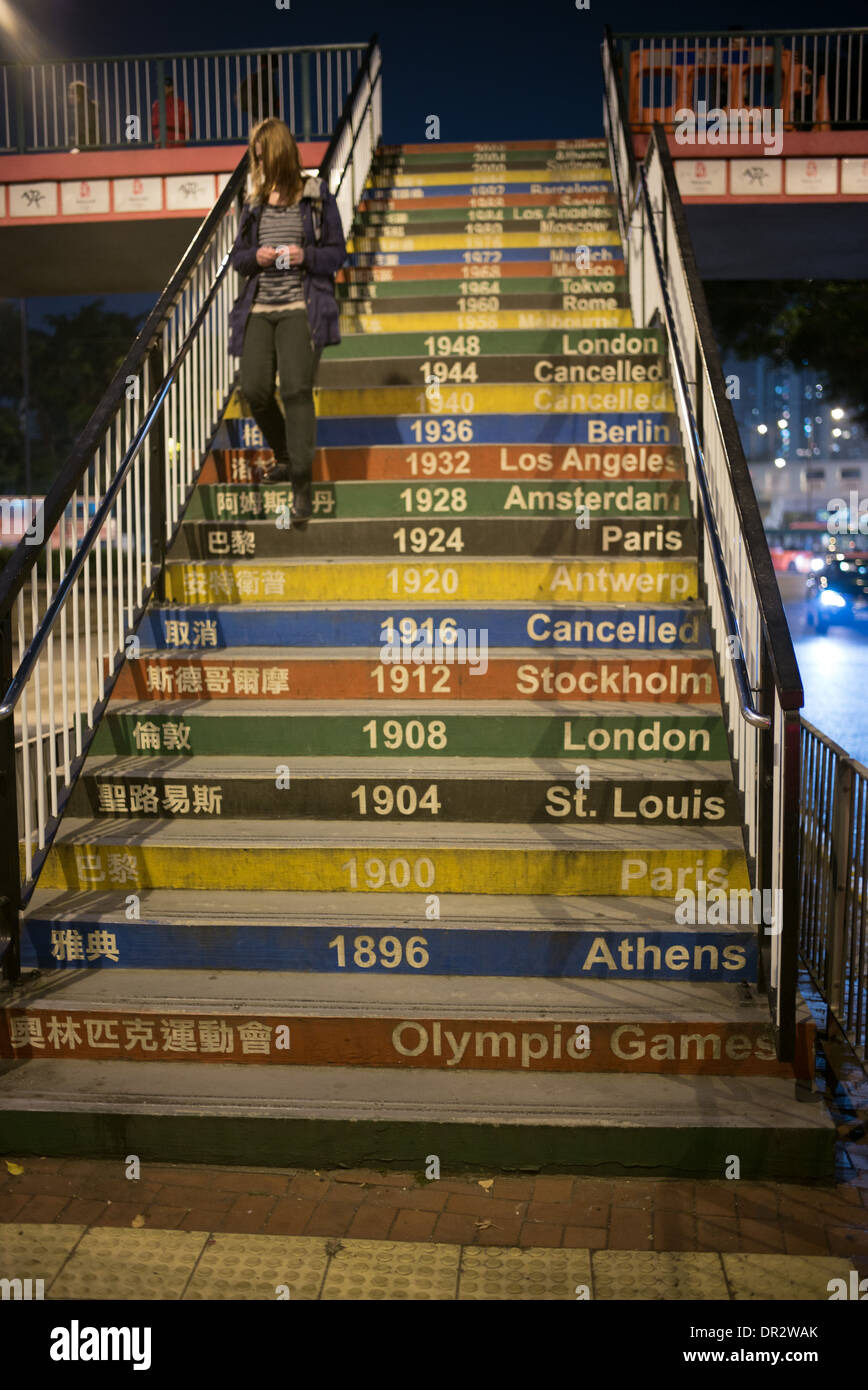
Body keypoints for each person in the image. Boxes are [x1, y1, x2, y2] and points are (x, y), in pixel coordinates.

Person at [227, 118, 346, 520]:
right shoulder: (254, 201)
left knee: (296, 391)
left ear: (277, 152)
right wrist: (256, 258)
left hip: (300, 305)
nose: (257, 162)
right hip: (259, 308)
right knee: (255, 389)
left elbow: (336, 254)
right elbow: (238, 258)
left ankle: (301, 487)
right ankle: (283, 452)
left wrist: (302, 256)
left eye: (261, 154)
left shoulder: (314, 197)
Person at [151, 77, 190, 146]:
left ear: (171, 88)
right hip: (165, 142)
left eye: (164, 87)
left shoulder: (180, 104)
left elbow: (188, 127)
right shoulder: (157, 104)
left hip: (176, 143)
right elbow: (154, 125)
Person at [68, 81, 98, 150]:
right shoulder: (84, 106)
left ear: (78, 94)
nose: (69, 96)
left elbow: (85, 130)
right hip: (88, 146)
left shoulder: (84, 108)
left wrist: (78, 147)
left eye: (71, 93)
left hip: (87, 147)